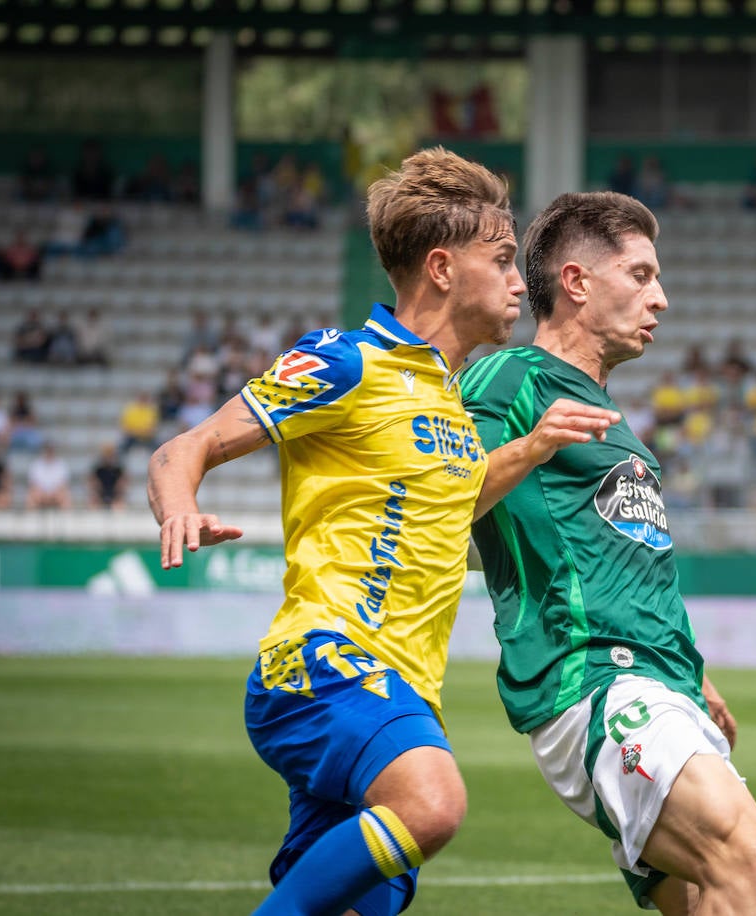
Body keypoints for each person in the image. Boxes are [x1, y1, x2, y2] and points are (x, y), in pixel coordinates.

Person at [146, 147, 617, 916]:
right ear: (440, 268)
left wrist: (532, 448)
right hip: (324, 665)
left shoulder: (453, 401)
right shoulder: (346, 362)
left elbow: (449, 507)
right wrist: (180, 507)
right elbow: (180, 449)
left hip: (401, 691)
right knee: (432, 805)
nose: (516, 281)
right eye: (501, 259)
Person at [462, 191, 756, 914]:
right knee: (742, 847)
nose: (661, 298)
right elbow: (439, 503)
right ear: (576, 283)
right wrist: (532, 445)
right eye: (641, 275)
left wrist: (695, 673)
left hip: (659, 681)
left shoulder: (616, 424)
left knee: (706, 893)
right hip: (593, 679)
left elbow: (630, 566)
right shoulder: (509, 380)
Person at [25, 441, 73, 510]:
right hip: (40, 493)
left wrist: (53, 493)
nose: (49, 452)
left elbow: (63, 484)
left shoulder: (61, 464)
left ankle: (66, 519)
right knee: (31, 496)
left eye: (51, 450)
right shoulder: (36, 464)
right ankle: (30, 519)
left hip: (56, 493)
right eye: (48, 450)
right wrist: (43, 493)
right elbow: (33, 484)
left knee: (66, 496)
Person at [88, 443, 127, 510]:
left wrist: (118, 495)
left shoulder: (118, 470)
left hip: (114, 495)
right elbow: (92, 483)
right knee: (92, 505)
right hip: (100, 495)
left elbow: (122, 485)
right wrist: (96, 494)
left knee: (119, 507)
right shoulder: (98, 470)